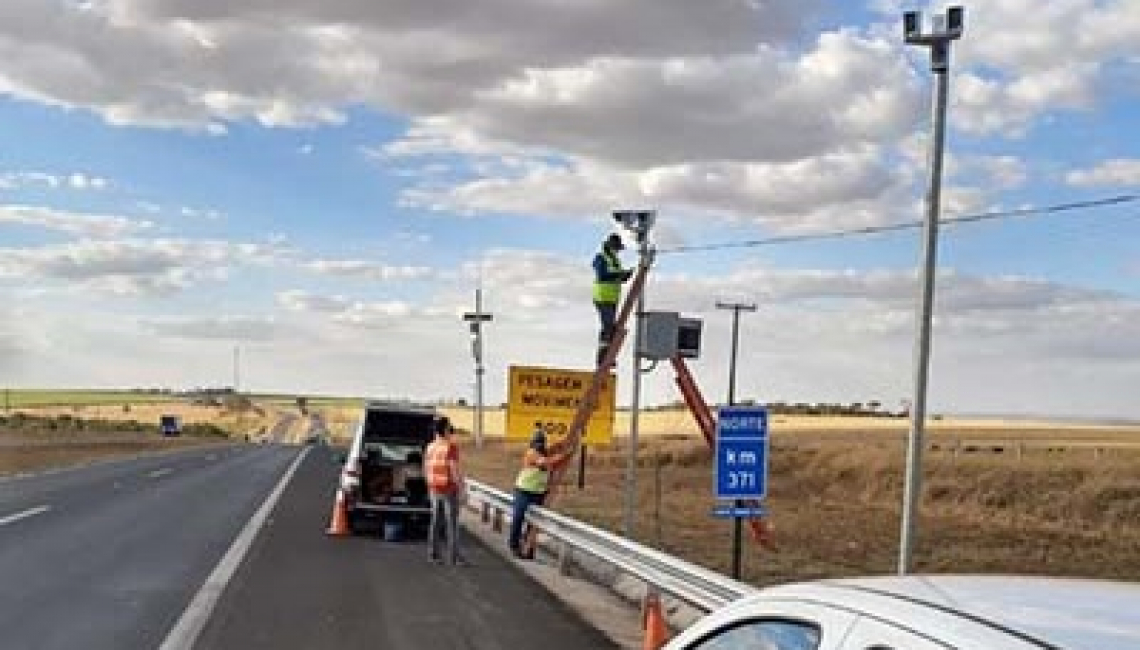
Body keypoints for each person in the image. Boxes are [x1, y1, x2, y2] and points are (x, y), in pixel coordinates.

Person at [508, 426, 567, 559]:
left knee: (534, 522)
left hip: (538, 492)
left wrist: (563, 444)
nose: (539, 446)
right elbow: (546, 462)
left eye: (541, 443)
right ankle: (514, 545)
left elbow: (552, 451)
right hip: (523, 490)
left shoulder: (544, 452)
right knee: (519, 517)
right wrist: (564, 456)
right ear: (533, 443)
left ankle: (529, 547)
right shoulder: (531, 453)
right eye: (537, 443)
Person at [424, 416, 467, 565]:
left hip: (434, 488)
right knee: (452, 524)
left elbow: (427, 468)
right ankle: (454, 558)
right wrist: (462, 490)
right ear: (445, 429)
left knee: (435, 522)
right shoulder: (451, 447)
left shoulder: (430, 446)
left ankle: (433, 555)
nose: (451, 430)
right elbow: (454, 470)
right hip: (449, 489)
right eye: (449, 428)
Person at [593, 233, 633, 366]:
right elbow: (602, 275)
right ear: (611, 246)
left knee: (611, 328)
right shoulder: (601, 257)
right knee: (608, 326)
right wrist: (620, 274)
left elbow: (617, 277)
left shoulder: (615, 259)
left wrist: (625, 275)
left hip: (612, 298)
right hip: (602, 296)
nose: (617, 250)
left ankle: (607, 356)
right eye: (616, 247)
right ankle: (602, 358)